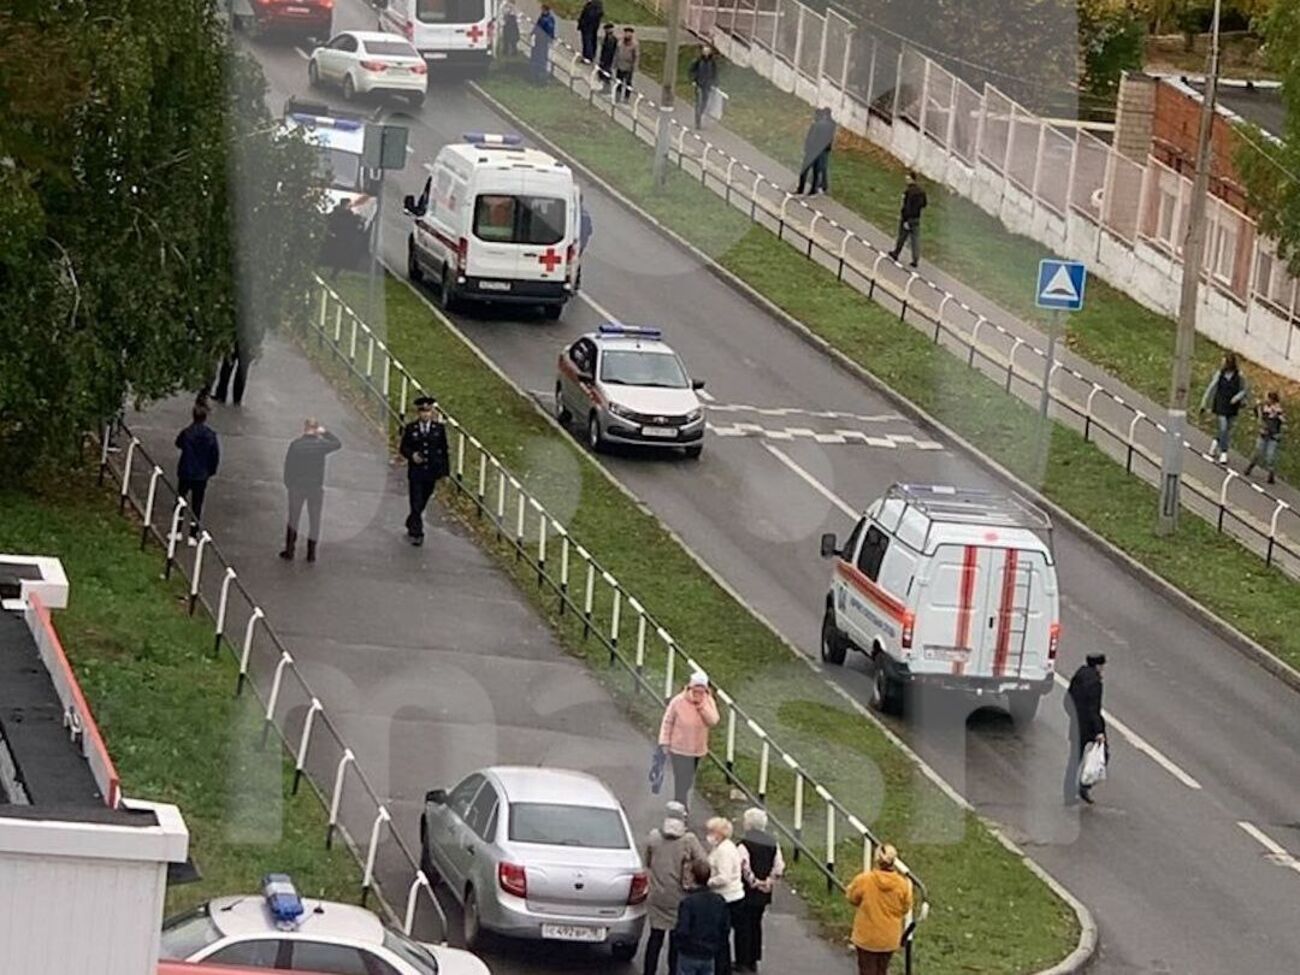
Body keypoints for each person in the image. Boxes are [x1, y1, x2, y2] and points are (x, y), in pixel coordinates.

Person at [643, 800, 707, 975]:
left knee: (655, 937)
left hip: (657, 895)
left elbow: (647, 861)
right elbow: (703, 862)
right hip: (679, 896)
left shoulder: (654, 836)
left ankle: (649, 972)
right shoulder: (689, 840)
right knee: (675, 940)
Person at [279, 418, 342, 563]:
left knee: (293, 519)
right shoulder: (321, 445)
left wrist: (289, 484)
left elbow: (288, 466)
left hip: (297, 487)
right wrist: (326, 433)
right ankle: (311, 553)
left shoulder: (296, 445)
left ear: (305, 427)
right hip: (315, 488)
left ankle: (289, 550)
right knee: (314, 520)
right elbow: (337, 443)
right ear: (316, 429)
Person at [845, 843, 914, 975]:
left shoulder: (864, 880)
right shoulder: (902, 884)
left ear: (876, 860)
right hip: (889, 938)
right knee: (882, 970)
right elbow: (906, 907)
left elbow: (852, 897)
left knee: (866, 970)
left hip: (867, 937)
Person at [657, 671, 719, 807]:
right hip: (678, 749)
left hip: (696, 750)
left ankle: (680, 804)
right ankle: (680, 806)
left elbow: (713, 721)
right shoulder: (678, 701)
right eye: (696, 690)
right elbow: (667, 722)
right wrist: (664, 742)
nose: (698, 693)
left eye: (702, 691)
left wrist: (701, 706)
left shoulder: (708, 702)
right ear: (690, 687)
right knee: (681, 779)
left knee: (688, 780)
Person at [735, 807, 784, 973]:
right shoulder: (773, 843)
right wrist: (769, 881)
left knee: (742, 926)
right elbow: (779, 866)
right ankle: (753, 959)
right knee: (756, 924)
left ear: (749, 824)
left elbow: (743, 867)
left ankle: (742, 961)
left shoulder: (743, 844)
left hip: (746, 892)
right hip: (764, 893)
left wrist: (755, 882)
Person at [399, 395, 450, 546]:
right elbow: (403, 448)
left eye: (428, 411)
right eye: (423, 412)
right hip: (416, 472)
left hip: (431, 472)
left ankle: (412, 520)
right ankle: (417, 533)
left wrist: (445, 472)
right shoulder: (411, 428)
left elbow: (443, 450)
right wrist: (412, 455)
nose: (425, 414)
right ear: (418, 413)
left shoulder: (438, 429)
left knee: (423, 500)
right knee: (415, 501)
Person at [174, 404, 220, 545]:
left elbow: (178, 443)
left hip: (186, 471)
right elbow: (215, 455)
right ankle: (193, 534)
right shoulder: (211, 435)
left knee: (180, 500)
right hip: (201, 474)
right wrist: (210, 471)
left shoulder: (187, 432)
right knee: (197, 504)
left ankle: (177, 531)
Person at [1064, 653, 1106, 805]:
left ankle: (1068, 794)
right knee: (1103, 755)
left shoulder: (1079, 676)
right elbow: (1093, 709)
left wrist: (1074, 717)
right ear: (1098, 666)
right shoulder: (1095, 683)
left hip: (1076, 725)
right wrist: (1099, 731)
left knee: (1074, 760)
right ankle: (1085, 785)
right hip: (1090, 727)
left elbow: (1067, 700)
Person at [674, 860, 730, 975]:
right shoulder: (719, 900)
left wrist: (680, 945)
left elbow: (682, 930)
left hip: (689, 952)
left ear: (693, 877)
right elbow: (725, 927)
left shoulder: (688, 902)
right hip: (709, 952)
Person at [705, 817, 744, 975]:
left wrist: (707, 882)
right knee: (722, 937)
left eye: (711, 831)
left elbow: (724, 877)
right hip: (731, 896)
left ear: (719, 834)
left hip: (727, 898)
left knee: (720, 938)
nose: (708, 835)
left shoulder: (723, 851)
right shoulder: (724, 847)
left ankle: (721, 969)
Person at [1200, 352, 1249, 465]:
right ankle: (1224, 452)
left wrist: (1237, 398)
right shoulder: (1219, 374)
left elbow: (1244, 390)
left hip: (1232, 406)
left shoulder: (1239, 376)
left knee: (1227, 430)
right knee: (1223, 427)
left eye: (1224, 362)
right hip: (1221, 404)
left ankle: (1215, 442)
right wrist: (1204, 403)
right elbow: (1211, 388)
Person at [888, 171, 927, 268]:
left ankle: (896, 253)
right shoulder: (921, 191)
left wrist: (905, 219)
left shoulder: (909, 192)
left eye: (907, 178)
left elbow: (907, 206)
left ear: (911, 179)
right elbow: (924, 204)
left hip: (908, 218)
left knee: (902, 236)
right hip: (916, 218)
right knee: (915, 240)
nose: (906, 180)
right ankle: (915, 259)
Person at [1244, 390, 1284, 484]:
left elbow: (1282, 420)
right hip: (1263, 434)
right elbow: (1257, 414)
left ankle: (1271, 474)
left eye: (1269, 399)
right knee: (1257, 452)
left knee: (1270, 456)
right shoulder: (1263, 408)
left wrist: (1277, 414)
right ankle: (1250, 466)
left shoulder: (1278, 410)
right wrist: (1257, 407)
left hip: (1273, 437)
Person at [796, 107, 835, 195]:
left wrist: (807, 148)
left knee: (804, 171)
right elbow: (829, 140)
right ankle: (813, 190)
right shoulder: (829, 126)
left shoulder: (816, 125)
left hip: (812, 151)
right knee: (816, 172)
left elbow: (811, 138)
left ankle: (800, 189)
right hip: (820, 152)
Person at [213, 338, 254, 406]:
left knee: (235, 368)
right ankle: (233, 399)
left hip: (244, 339)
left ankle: (227, 397)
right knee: (232, 367)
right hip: (243, 338)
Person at [689, 45, 719, 130]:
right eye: (705, 51)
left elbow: (715, 73)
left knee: (704, 102)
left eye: (708, 51)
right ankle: (697, 121)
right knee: (699, 102)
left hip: (707, 85)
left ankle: (700, 113)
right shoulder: (698, 61)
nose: (706, 53)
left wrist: (715, 83)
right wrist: (693, 80)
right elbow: (692, 71)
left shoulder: (712, 62)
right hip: (699, 84)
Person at [531, 3, 556, 84]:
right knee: (541, 57)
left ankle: (540, 76)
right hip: (543, 40)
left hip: (542, 40)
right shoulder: (548, 18)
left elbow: (540, 28)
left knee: (540, 57)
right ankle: (539, 75)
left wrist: (534, 33)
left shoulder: (545, 19)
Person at [613, 26, 639, 103]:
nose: (627, 35)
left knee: (628, 83)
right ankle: (617, 97)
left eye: (629, 33)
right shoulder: (620, 42)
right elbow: (616, 53)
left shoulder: (635, 44)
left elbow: (636, 56)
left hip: (628, 66)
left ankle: (626, 98)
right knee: (618, 82)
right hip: (620, 65)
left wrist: (635, 66)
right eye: (626, 33)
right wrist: (615, 63)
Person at [598, 22, 618, 93]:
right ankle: (605, 88)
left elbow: (608, 51)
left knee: (606, 73)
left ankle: (606, 89)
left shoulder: (611, 39)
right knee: (604, 73)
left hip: (608, 60)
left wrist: (603, 60)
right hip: (606, 59)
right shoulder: (609, 38)